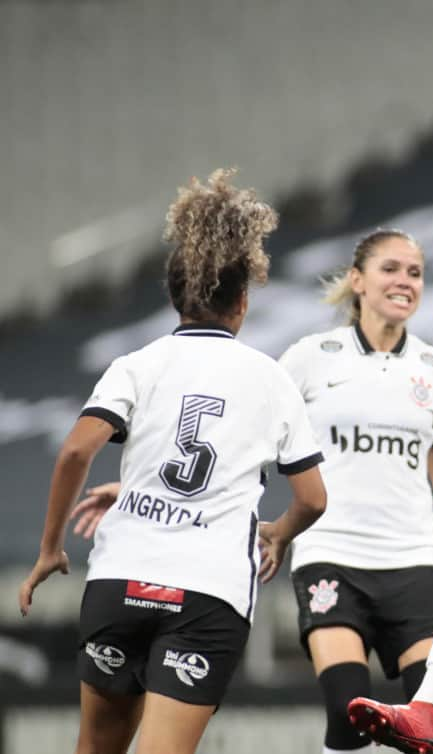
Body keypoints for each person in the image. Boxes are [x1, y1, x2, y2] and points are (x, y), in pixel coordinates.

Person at [17, 168, 328, 754]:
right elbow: (312, 498)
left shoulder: (137, 363)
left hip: (120, 581)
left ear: (174, 296)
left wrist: (51, 548)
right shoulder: (271, 380)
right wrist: (280, 534)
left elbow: (77, 450)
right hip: (206, 593)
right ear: (242, 301)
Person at [280, 229, 433, 754]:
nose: (405, 281)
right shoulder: (310, 358)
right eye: (391, 269)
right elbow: (247, 438)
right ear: (357, 280)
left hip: (414, 564)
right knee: (347, 711)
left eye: (415, 272)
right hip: (331, 556)